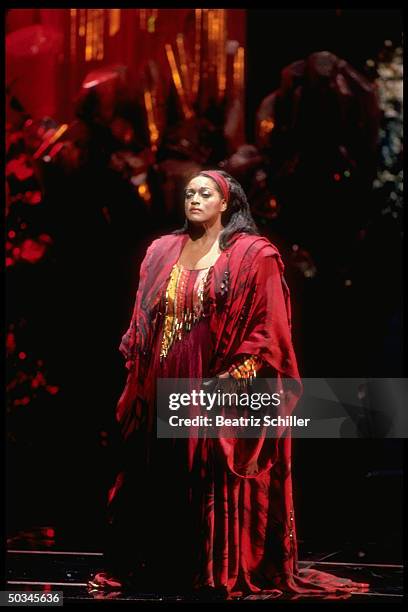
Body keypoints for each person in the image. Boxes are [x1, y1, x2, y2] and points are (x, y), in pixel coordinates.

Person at [88, 170, 369, 599]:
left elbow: (268, 327)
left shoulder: (255, 255)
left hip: (220, 380)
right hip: (164, 376)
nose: (194, 199)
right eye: (189, 193)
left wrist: (232, 379)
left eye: (205, 193)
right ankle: (166, 563)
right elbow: (143, 321)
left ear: (227, 202)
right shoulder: (162, 251)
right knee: (161, 473)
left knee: (209, 474)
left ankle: (214, 568)